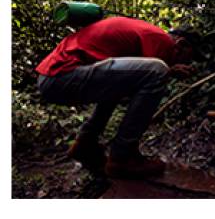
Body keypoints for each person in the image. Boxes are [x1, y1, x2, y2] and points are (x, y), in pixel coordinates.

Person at [36, 16, 199, 179]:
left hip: (53, 77)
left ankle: (85, 143)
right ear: (181, 44)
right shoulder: (161, 40)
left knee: (124, 84)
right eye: (190, 57)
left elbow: (132, 83)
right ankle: (123, 157)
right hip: (62, 75)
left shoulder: (146, 34)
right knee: (158, 70)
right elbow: (155, 74)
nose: (188, 62)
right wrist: (170, 71)